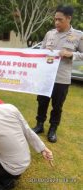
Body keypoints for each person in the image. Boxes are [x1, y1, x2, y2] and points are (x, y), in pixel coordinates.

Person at [32, 5, 83, 143]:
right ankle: (39, 125)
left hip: (61, 78)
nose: (56, 23)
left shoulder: (78, 35)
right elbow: (41, 52)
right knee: (42, 102)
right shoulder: (50, 34)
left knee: (57, 105)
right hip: (46, 77)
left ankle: (53, 129)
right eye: (55, 19)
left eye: (60, 20)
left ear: (69, 18)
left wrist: (71, 54)